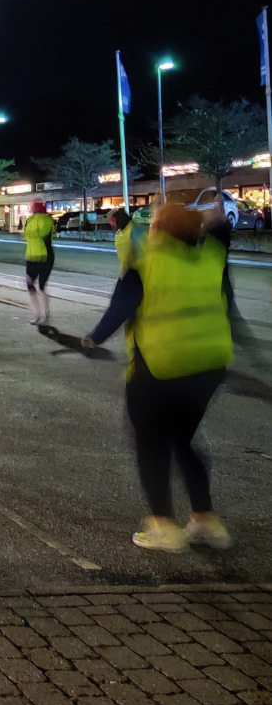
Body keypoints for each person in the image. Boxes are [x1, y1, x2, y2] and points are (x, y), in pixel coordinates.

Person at [82, 203, 237, 552]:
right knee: (182, 440)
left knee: (151, 444)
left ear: (159, 232)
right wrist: (216, 222)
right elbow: (220, 247)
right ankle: (205, 520)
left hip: (159, 368)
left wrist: (91, 340)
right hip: (208, 369)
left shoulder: (144, 267)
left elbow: (118, 311)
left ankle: (164, 526)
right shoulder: (211, 261)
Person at [22, 200, 55, 325]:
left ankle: (44, 311)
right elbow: (27, 235)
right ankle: (38, 313)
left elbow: (41, 234)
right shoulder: (30, 220)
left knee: (41, 286)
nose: (31, 209)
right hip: (31, 256)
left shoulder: (46, 220)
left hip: (44, 256)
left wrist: (32, 233)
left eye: (32, 207)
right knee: (30, 285)